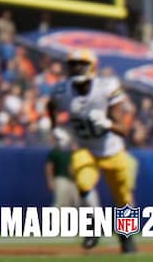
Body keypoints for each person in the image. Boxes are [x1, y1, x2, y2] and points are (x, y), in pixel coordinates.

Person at [47, 49, 137, 254]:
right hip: (85, 148)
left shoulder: (107, 88)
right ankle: (93, 227)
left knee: (123, 197)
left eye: (81, 64)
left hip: (112, 150)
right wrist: (56, 128)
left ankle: (127, 239)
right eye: (73, 64)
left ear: (92, 66)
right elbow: (50, 106)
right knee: (84, 182)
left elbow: (123, 129)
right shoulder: (61, 91)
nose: (77, 68)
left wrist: (107, 123)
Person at [46, 127, 79, 208]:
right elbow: (49, 167)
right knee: (60, 203)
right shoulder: (55, 151)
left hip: (73, 180)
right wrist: (50, 180)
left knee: (74, 203)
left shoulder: (72, 152)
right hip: (61, 179)